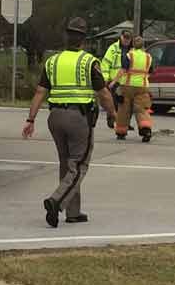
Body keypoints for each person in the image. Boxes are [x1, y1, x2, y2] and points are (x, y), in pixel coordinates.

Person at [22, 17, 117, 228]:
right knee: (79, 165)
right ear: (83, 39)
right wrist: (113, 114)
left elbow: (40, 92)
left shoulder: (52, 61)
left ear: (67, 37)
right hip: (78, 118)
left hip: (55, 117)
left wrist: (30, 119)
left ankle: (73, 212)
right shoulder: (89, 62)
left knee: (67, 164)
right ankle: (56, 201)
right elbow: (103, 93)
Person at [113, 37, 155, 142]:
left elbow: (123, 70)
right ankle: (146, 131)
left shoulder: (129, 55)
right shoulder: (148, 57)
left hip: (127, 86)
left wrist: (114, 82)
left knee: (124, 109)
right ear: (143, 45)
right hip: (142, 87)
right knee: (142, 110)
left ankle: (121, 132)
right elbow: (150, 71)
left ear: (133, 45)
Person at [99, 30, 131, 129]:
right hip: (114, 80)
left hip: (127, 81)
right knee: (113, 102)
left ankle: (124, 123)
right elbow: (106, 63)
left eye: (128, 38)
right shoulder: (113, 48)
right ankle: (111, 118)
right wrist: (105, 78)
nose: (126, 40)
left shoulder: (132, 49)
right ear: (121, 37)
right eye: (125, 37)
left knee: (126, 104)